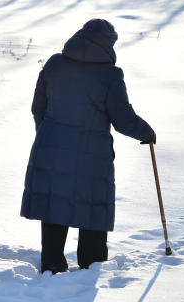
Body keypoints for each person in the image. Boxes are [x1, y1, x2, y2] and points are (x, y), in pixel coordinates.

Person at [21, 19, 156, 273]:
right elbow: (123, 119)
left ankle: (52, 266)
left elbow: (37, 107)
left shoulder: (54, 64)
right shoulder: (109, 75)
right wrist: (146, 132)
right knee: (92, 206)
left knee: (54, 203)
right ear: (107, 43)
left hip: (50, 150)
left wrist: (48, 133)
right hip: (92, 157)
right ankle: (91, 267)